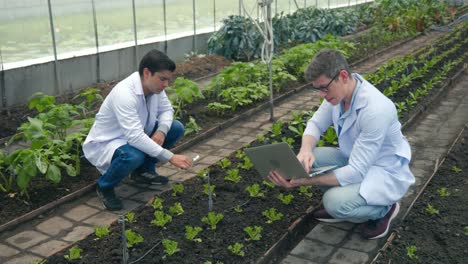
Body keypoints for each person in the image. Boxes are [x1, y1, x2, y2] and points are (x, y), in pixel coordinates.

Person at [268, 49, 414, 239]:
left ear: (343, 76)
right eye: (317, 89)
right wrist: (305, 151)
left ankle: (384, 209)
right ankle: (351, 200)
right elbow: (315, 124)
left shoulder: (375, 109)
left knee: (333, 203)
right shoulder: (338, 96)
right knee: (313, 159)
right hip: (357, 159)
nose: (322, 95)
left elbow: (356, 171)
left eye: (324, 88)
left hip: (383, 170)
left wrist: (304, 181)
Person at [83, 49, 193, 211]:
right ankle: (105, 186)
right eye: (162, 79)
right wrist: (170, 157)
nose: (166, 85)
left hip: (135, 134)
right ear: (147, 73)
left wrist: (161, 131)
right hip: (109, 141)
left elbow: (166, 110)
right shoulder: (125, 94)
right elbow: (134, 137)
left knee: (175, 128)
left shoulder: (155, 89)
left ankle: (142, 173)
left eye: (168, 80)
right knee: (133, 155)